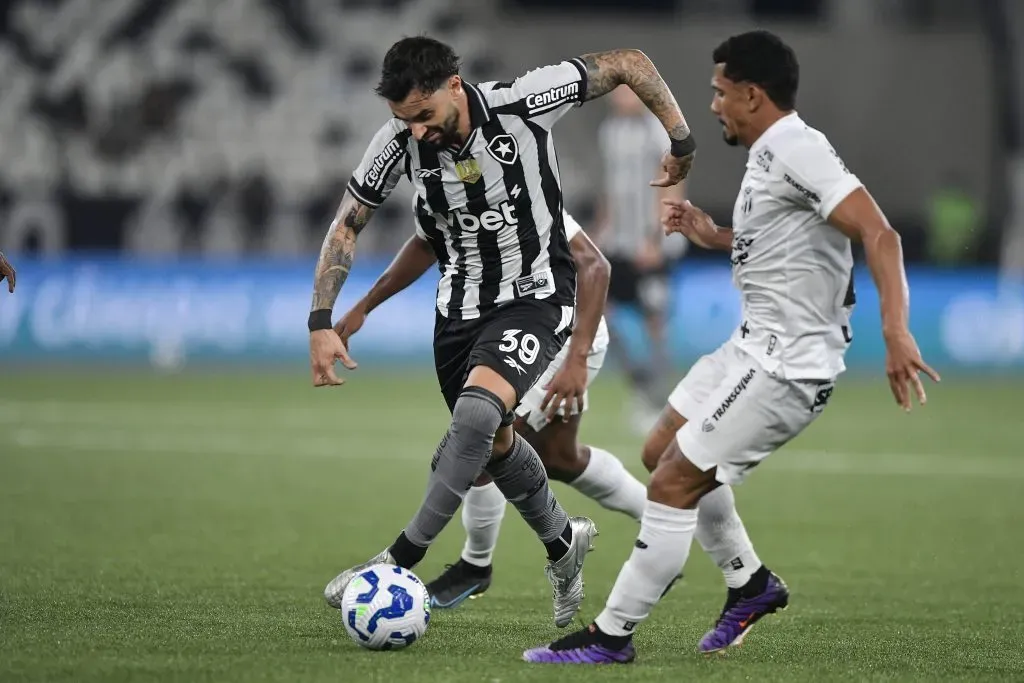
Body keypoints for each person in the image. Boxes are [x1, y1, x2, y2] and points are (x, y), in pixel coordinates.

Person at [523, 29, 939, 664]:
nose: (712, 104)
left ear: (751, 94)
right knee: (660, 448)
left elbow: (879, 234)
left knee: (672, 482)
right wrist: (710, 232)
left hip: (788, 365)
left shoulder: (799, 148)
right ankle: (750, 583)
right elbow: (777, 239)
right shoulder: (770, 153)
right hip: (749, 348)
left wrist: (896, 329)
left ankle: (611, 637)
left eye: (719, 93)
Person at [307, 36, 695, 628]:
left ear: (454, 87)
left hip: (538, 300)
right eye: (403, 120)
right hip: (459, 313)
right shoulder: (397, 147)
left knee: (475, 424)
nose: (415, 132)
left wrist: (681, 139)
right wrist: (329, 318)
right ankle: (563, 543)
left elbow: (627, 64)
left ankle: (398, 560)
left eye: (423, 116)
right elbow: (350, 227)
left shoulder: (524, 104)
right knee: (497, 445)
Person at [333, 211, 648, 609]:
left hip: (559, 328)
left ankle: (473, 565)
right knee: (559, 458)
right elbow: (425, 241)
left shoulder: (520, 184)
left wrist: (579, 358)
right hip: (498, 325)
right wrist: (366, 304)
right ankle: (659, 519)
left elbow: (594, 264)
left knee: (482, 440)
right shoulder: (438, 180)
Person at [594, 85, 687, 434]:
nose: (621, 100)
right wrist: (600, 232)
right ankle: (641, 386)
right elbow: (610, 187)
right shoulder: (610, 132)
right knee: (601, 311)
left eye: (628, 93)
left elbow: (672, 184)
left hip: (652, 245)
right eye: (617, 94)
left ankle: (664, 399)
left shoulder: (658, 131)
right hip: (617, 243)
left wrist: (655, 237)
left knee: (654, 321)